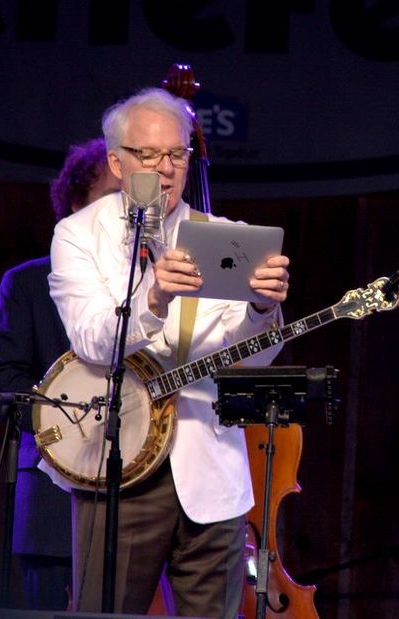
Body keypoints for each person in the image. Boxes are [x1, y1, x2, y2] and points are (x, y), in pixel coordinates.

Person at [46, 88, 291, 618]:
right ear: (116, 161)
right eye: (148, 155)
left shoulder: (226, 239)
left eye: (177, 154)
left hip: (211, 466)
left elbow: (246, 363)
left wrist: (261, 312)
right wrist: (154, 298)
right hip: (120, 465)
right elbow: (90, 339)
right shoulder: (78, 235)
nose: (165, 168)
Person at [0, 138, 120, 610]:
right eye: (109, 201)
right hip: (55, 497)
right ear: (75, 208)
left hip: (147, 492)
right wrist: (69, 411)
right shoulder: (29, 282)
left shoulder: (156, 283)